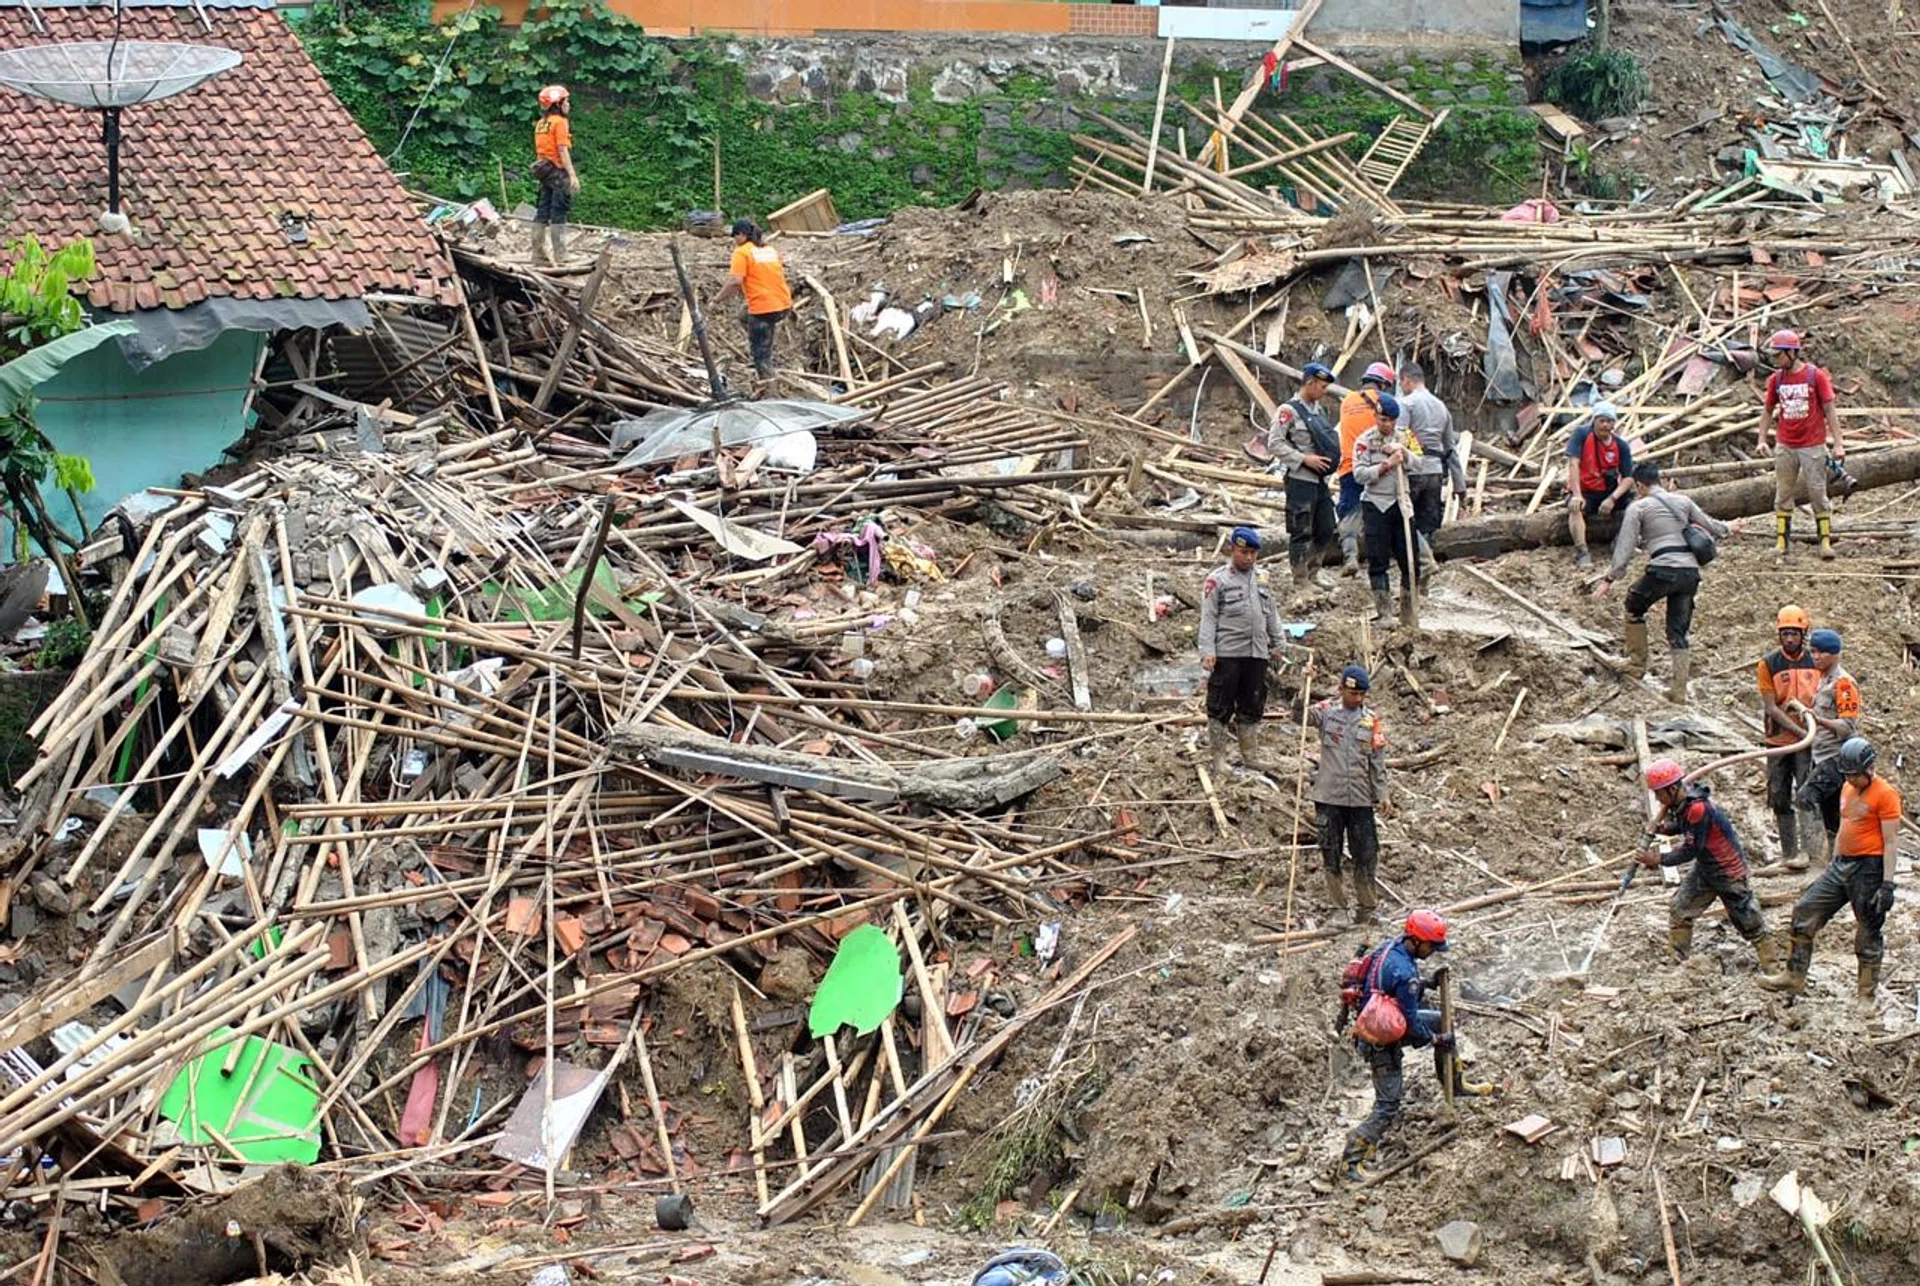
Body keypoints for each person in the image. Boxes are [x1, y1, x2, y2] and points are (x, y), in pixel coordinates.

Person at [1338, 910, 1492, 1182]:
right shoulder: (1405, 971)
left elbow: (1394, 986)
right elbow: (1410, 1022)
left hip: (1382, 1018)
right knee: (1388, 1105)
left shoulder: (1391, 948)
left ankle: (1455, 1085)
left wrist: (1427, 984)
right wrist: (1434, 1040)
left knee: (1443, 1022)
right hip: (1380, 1039)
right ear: (1417, 941)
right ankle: (1351, 1160)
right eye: (1431, 946)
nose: (1433, 952)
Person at [1759, 737, 1900, 1007]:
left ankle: (1866, 997)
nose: (1851, 780)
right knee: (1805, 911)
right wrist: (1833, 861)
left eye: (1856, 775)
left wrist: (1887, 884)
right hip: (1841, 865)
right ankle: (1794, 974)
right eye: (1847, 775)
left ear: (1869, 769)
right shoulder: (1847, 788)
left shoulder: (1885, 794)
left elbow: (1892, 841)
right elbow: (1845, 826)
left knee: (1868, 929)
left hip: (1869, 868)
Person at [1591, 463, 1729, 702]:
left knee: (1634, 605)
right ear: (1661, 480)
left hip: (1663, 568)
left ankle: (1636, 664)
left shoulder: (1639, 507)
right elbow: (1711, 525)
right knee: (1678, 631)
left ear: (1639, 485)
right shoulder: (1683, 501)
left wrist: (1609, 579)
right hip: (1690, 573)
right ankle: (1679, 691)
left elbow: (1624, 547)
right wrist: (1730, 527)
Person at [1638, 759, 1779, 968]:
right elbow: (1686, 826)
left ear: (1673, 789)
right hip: (1706, 869)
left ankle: (1773, 966)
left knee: (1749, 921)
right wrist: (1666, 828)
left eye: (1659, 793)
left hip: (1727, 871)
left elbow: (1690, 849)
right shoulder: (1684, 803)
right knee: (1680, 909)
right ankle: (1676, 960)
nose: (1658, 800)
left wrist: (1658, 859)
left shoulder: (1698, 809)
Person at [1198, 527, 1284, 775]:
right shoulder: (1218, 580)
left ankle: (1250, 755)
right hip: (1227, 653)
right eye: (1244, 552)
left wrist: (1278, 643)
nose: (1249, 558)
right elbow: (1208, 618)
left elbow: (1272, 614)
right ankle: (1219, 759)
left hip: (1256, 654)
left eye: (1253, 553)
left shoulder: (1262, 579)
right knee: (1220, 705)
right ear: (1232, 550)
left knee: (1252, 704)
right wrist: (1207, 650)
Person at [1308, 665, 1389, 921]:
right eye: (1354, 694)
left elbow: (1377, 761)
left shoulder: (1371, 721)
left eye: (1362, 695)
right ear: (1342, 689)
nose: (1358, 699)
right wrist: (1304, 684)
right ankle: (1338, 910)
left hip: (1360, 798)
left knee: (1366, 854)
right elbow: (1298, 716)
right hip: (1329, 797)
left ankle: (1367, 908)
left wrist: (1382, 794)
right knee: (1330, 853)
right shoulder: (1326, 713)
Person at [1759, 330, 1842, 561]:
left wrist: (1838, 444)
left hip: (1813, 445)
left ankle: (1824, 541)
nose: (1776, 360)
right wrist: (1762, 439)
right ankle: (1781, 542)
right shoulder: (1776, 380)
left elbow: (1830, 410)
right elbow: (1767, 411)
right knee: (1783, 494)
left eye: (1779, 355)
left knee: (1818, 493)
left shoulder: (1816, 377)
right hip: (1785, 444)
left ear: (1792, 353)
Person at [1757, 605, 1824, 870]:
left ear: (1803, 634)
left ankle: (1814, 852)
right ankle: (1790, 853)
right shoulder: (1769, 664)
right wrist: (1801, 732)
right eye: (1785, 634)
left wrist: (1812, 731)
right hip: (1779, 740)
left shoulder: (1815, 661)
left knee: (1807, 793)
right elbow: (1771, 706)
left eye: (1794, 634)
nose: (1789, 639)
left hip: (1809, 741)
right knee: (1779, 795)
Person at [1266, 362, 1341, 588]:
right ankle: (1300, 579)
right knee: (1301, 530)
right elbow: (1275, 443)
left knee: (1327, 526)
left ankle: (1314, 571)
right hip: (1300, 479)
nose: (1323, 392)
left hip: (1320, 480)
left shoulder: (1319, 410)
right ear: (1309, 383)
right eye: (1321, 386)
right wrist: (1303, 459)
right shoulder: (1288, 411)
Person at [1351, 391, 1422, 627]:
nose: (1388, 425)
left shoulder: (1406, 436)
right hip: (1376, 505)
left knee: (1409, 559)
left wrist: (1405, 455)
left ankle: (1408, 613)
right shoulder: (1364, 441)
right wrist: (1384, 466)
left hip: (1402, 505)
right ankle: (1384, 614)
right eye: (1383, 420)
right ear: (1376, 416)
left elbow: (1421, 463)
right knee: (1378, 560)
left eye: (1392, 420)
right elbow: (1359, 474)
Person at [1794, 629, 1863, 849]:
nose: (1815, 657)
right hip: (1821, 755)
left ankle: (1813, 852)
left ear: (1834, 654)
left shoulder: (1843, 684)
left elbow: (1847, 727)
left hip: (1836, 757)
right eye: (1813, 651)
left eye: (1820, 652)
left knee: (1805, 797)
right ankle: (1838, 860)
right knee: (1832, 815)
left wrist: (1819, 721)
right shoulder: (1822, 679)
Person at [1396, 363, 1464, 579]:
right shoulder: (1441, 407)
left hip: (1414, 470)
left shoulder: (1406, 404)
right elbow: (1450, 448)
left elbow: (1399, 438)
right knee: (1427, 524)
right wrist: (1460, 484)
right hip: (1435, 471)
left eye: (1401, 382)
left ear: (1407, 379)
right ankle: (1422, 573)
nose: (1401, 386)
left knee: (1404, 519)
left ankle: (1422, 564)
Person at [1333, 362, 1397, 576]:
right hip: (1378, 466)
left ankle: (1350, 556)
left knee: (1349, 512)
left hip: (1349, 465)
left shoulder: (1347, 401)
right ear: (1384, 385)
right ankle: (1382, 554)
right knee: (1381, 510)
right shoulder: (1383, 404)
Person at [715, 220, 794, 389]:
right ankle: (767, 349)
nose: (734, 240)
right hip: (783, 303)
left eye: (735, 236)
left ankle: (769, 387)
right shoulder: (770, 250)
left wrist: (717, 299)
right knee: (744, 317)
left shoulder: (742, 252)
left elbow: (735, 282)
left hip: (764, 308)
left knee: (759, 352)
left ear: (742, 235)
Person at [1564, 402, 1636, 570]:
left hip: (1607, 491)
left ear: (1614, 424)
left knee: (1636, 505)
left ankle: (1621, 541)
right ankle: (1582, 551)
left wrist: (1612, 498)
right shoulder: (1582, 435)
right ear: (1594, 421)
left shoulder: (1621, 445)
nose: (1605, 425)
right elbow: (1573, 464)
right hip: (1585, 491)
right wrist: (1576, 494)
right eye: (1601, 420)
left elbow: (1628, 478)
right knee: (1575, 508)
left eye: (1609, 421)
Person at [531, 85, 581, 267]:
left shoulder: (541, 124)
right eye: (566, 101)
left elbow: (541, 152)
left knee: (542, 212)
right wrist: (572, 175)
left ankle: (538, 255)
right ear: (558, 104)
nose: (568, 104)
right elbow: (562, 150)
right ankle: (561, 255)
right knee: (559, 212)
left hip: (545, 171)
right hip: (558, 173)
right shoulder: (560, 122)